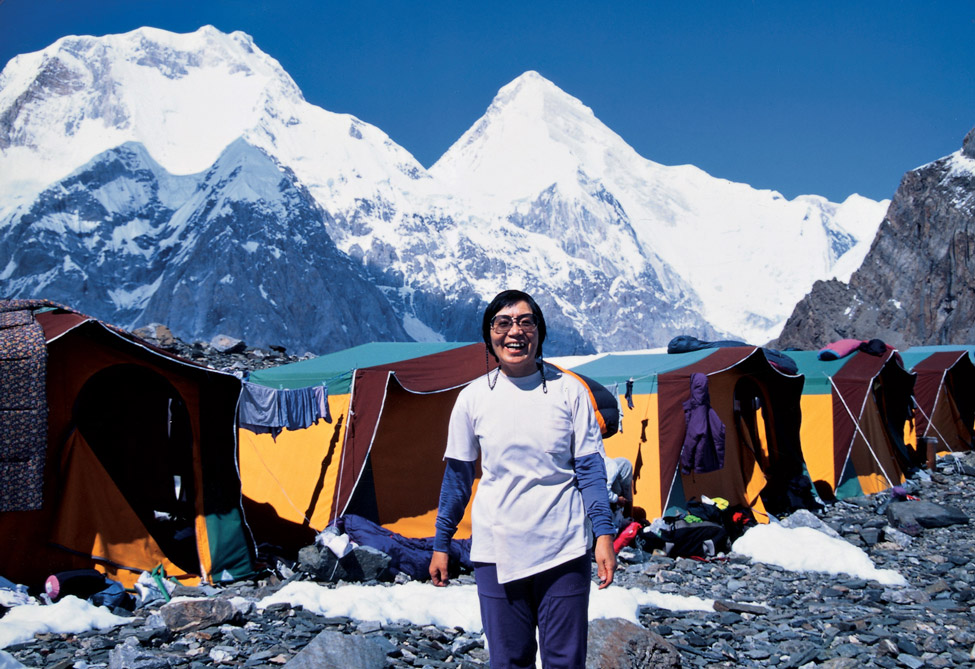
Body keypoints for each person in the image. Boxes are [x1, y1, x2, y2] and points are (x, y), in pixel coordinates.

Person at [429, 289, 617, 669]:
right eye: (503, 323)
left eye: (525, 321)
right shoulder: (472, 398)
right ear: (489, 337)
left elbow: (591, 472)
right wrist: (440, 543)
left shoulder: (571, 392)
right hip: (497, 552)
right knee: (508, 661)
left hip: (563, 549)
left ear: (540, 332)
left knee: (565, 661)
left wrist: (604, 535)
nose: (515, 332)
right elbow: (458, 478)